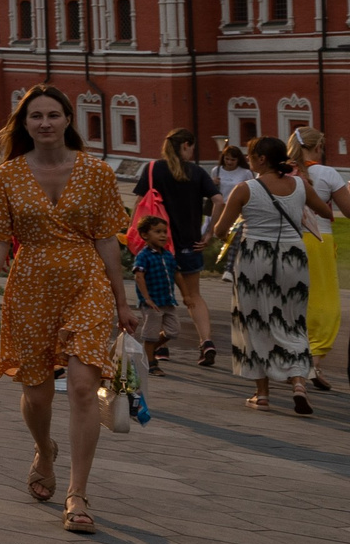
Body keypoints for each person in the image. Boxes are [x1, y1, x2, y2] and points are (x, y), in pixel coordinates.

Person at [0, 85, 137, 534]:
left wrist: (123, 301)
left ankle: (77, 494)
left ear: (67, 120)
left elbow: (107, 239)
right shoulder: (6, 176)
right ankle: (45, 449)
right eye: (36, 116)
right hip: (30, 288)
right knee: (37, 393)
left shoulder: (96, 172)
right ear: (24, 125)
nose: (45, 123)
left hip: (87, 283)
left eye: (53, 115)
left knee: (83, 387)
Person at [204, 137, 316, 415]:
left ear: (261, 159)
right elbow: (325, 211)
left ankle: (262, 394)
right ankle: (298, 382)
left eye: (250, 155)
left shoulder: (245, 189)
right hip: (293, 257)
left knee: (253, 321)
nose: (248, 160)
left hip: (256, 258)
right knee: (293, 320)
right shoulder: (300, 184)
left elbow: (220, 230)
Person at [141, 131, 216, 365]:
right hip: (189, 244)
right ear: (185, 145)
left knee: (158, 297)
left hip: (158, 245)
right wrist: (209, 232)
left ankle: (160, 347)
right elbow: (219, 200)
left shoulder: (153, 169)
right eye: (192, 147)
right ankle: (206, 342)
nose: (192, 152)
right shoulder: (197, 172)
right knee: (193, 295)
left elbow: (141, 203)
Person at [286, 131, 344, 388]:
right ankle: (313, 361)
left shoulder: (281, 172)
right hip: (319, 242)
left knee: (292, 300)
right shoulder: (328, 174)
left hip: (286, 241)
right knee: (325, 303)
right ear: (318, 147)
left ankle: (291, 362)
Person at [130, 217, 182, 373]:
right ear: (145, 235)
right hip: (152, 303)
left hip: (168, 301)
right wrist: (146, 298)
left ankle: (148, 351)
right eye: (158, 232)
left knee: (173, 330)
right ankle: (151, 363)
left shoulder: (168, 255)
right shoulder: (143, 256)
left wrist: (186, 295)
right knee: (151, 334)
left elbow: (177, 274)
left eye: (165, 232)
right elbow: (139, 277)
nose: (163, 235)